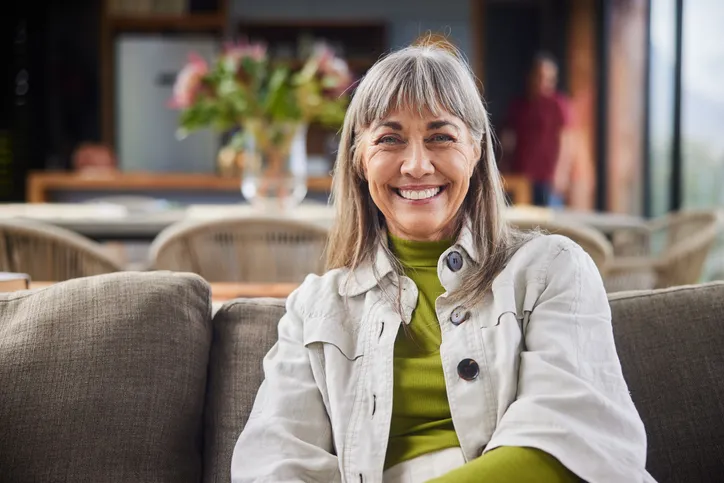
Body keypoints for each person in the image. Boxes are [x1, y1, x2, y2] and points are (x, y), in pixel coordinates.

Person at [231, 44, 655, 483]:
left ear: (475, 149)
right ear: (359, 159)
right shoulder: (313, 309)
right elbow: (272, 465)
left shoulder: (552, 269)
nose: (416, 166)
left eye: (441, 137)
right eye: (389, 139)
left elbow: (569, 442)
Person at [502, 52, 573, 207]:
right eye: (541, 77)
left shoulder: (558, 104)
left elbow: (566, 141)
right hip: (521, 177)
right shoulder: (518, 105)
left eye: (550, 79)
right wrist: (504, 168)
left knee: (550, 225)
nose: (544, 83)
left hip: (548, 178)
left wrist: (561, 173)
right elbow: (508, 140)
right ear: (531, 76)